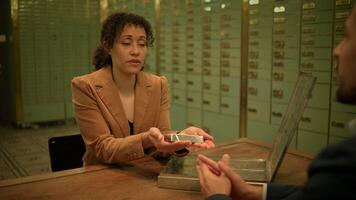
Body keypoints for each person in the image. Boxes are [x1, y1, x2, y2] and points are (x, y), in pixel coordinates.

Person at [196, 6, 356, 200]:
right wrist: (253, 192)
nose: (336, 50)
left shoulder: (344, 162)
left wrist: (217, 196)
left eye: (347, 37)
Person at [71, 12, 214, 166]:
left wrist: (181, 138)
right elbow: (103, 148)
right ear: (107, 45)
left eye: (142, 43)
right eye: (126, 43)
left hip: (144, 173)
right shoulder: (85, 86)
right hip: (101, 176)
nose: (136, 51)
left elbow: (162, 137)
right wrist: (146, 140)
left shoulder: (158, 84)